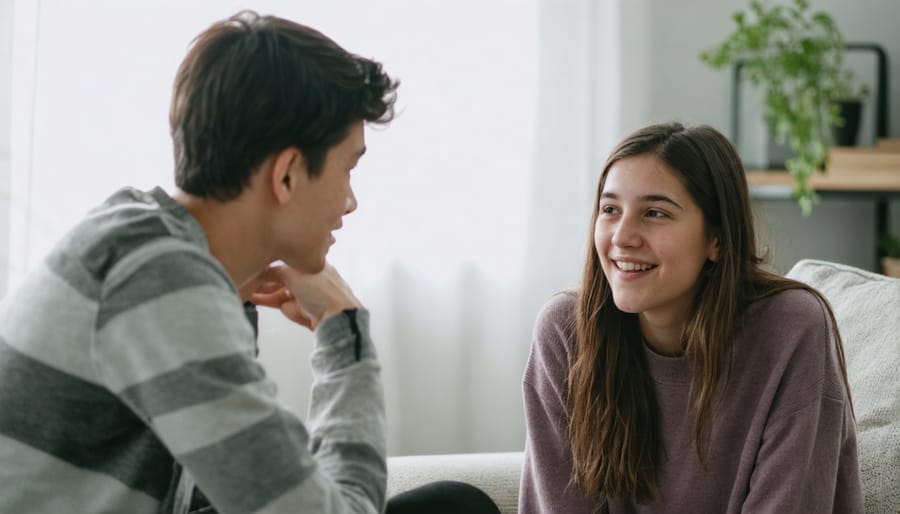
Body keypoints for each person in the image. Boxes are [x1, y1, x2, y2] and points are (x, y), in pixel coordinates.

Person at [0, 10, 499, 514]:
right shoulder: (159, 280)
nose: (351, 202)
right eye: (349, 168)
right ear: (287, 175)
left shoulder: (144, 241)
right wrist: (344, 334)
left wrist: (234, 297)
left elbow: (219, 494)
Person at [519, 122, 863, 513]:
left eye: (655, 213)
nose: (622, 236)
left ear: (716, 239)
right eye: (610, 209)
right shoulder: (565, 332)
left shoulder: (791, 329)